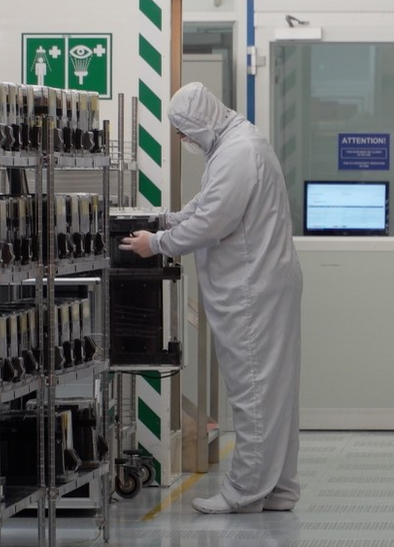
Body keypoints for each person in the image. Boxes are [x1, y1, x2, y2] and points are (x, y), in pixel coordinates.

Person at [119, 82, 303, 514]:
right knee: (274, 392)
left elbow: (212, 222)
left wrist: (157, 242)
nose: (183, 140)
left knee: (253, 389)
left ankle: (244, 493)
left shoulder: (238, 151)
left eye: (184, 132)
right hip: (262, 282)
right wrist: (165, 219)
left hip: (252, 286)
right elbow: (207, 206)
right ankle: (279, 489)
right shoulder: (237, 143)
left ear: (200, 121)